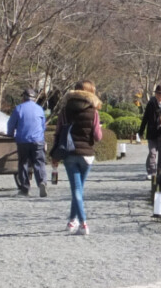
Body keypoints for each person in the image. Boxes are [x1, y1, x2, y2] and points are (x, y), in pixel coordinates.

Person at [55, 80, 103, 234]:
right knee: (79, 189)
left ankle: (82, 223)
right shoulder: (93, 111)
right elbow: (98, 136)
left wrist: (54, 153)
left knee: (76, 189)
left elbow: (57, 133)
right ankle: (72, 221)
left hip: (70, 153)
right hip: (87, 155)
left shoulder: (64, 111)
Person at [6, 87, 48, 197]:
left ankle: (25, 188)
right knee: (39, 162)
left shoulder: (18, 109)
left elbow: (11, 124)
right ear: (34, 99)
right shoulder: (40, 109)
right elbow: (43, 126)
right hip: (38, 140)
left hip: (23, 140)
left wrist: (10, 134)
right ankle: (42, 182)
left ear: (24, 98)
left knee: (23, 163)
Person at [139, 83, 161, 189]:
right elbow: (145, 118)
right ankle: (151, 172)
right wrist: (140, 131)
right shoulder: (151, 103)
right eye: (159, 93)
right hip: (152, 133)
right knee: (152, 153)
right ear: (156, 94)